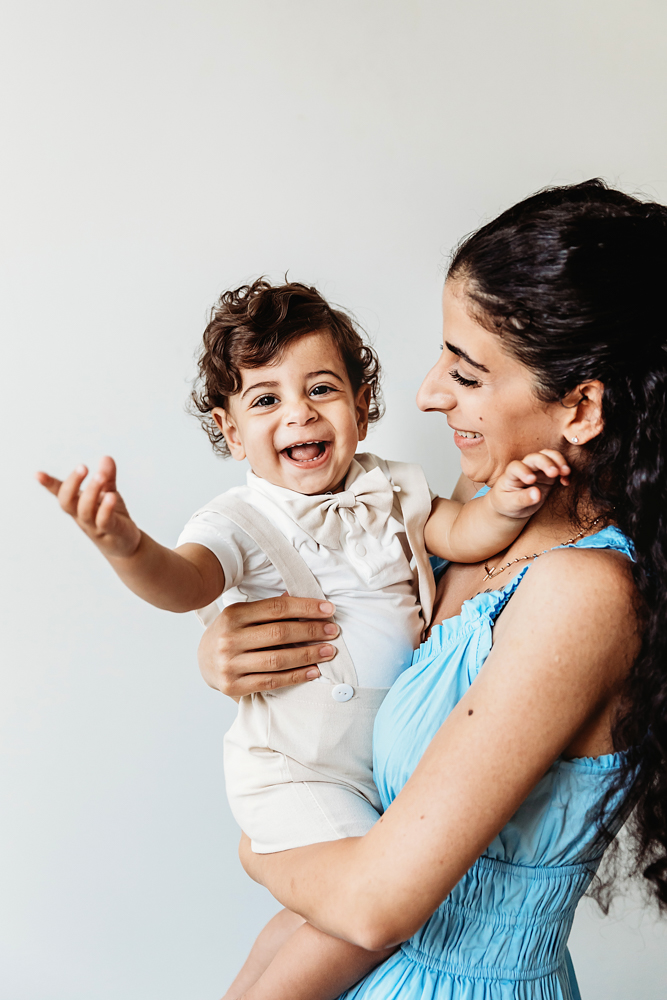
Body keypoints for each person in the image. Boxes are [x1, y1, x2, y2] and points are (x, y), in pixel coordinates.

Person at [197, 179, 667, 1000]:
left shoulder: (582, 593)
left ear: (582, 406)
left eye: (468, 372)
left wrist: (252, 848)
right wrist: (229, 647)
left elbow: (375, 905)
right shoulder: (477, 523)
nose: (426, 394)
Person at [36, 280, 569, 994]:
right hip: (295, 767)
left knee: (310, 917)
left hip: (369, 771)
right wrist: (126, 545)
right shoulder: (240, 520)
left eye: (321, 389)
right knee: (359, 918)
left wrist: (503, 502)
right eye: (265, 400)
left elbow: (462, 534)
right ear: (230, 433)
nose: (298, 413)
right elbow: (186, 581)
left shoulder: (394, 487)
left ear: (362, 406)